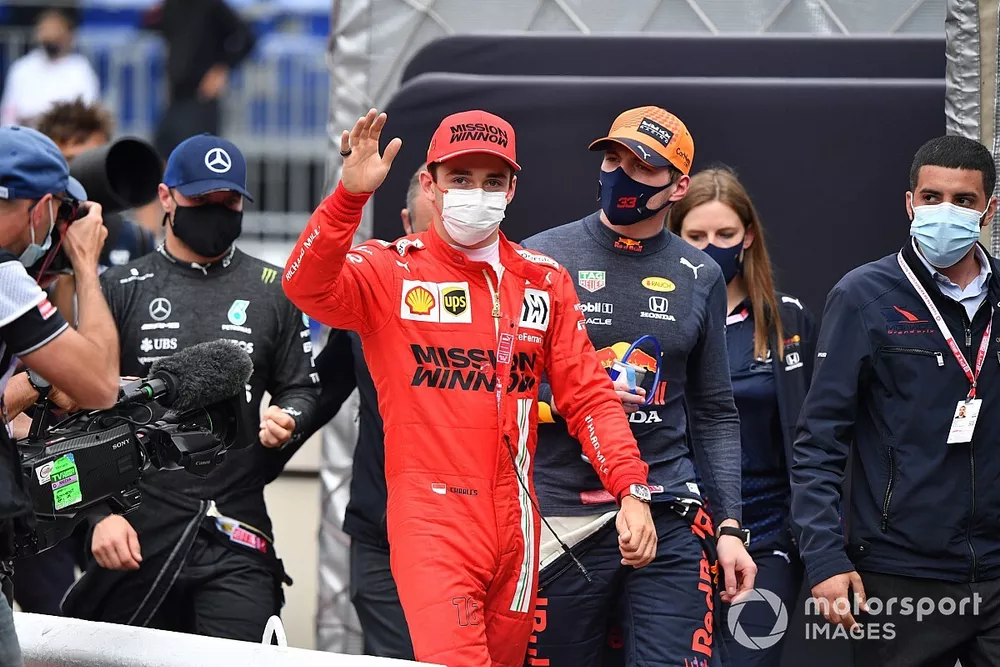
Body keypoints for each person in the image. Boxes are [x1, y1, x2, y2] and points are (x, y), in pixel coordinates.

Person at [283, 108, 656, 667]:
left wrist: (631, 488)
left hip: (520, 524)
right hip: (431, 519)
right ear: (429, 185)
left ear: (512, 189)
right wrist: (347, 200)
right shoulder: (391, 272)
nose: (475, 194)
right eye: (460, 179)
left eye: (492, 181)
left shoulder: (544, 280)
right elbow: (304, 286)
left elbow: (589, 397)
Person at [60, 134, 321, 642]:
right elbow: (77, 412)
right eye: (201, 201)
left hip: (236, 530)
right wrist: (97, 518)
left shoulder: (275, 288)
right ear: (165, 198)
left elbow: (302, 390)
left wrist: (289, 418)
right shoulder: (120, 287)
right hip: (135, 529)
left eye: (229, 202)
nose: (217, 212)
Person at [519, 108, 754, 667]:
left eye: (642, 166)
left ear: (678, 187)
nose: (620, 173)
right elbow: (504, 392)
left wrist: (729, 527)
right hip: (561, 512)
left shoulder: (701, 274)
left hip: (667, 505)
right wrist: (573, 401)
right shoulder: (539, 257)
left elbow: (716, 411)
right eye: (613, 159)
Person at [791, 134, 1000, 667]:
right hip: (900, 572)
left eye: (964, 200)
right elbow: (818, 441)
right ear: (909, 203)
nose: (945, 211)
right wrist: (822, 557)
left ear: (989, 209)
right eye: (932, 198)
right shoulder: (863, 297)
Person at [285, 164, 435, 660]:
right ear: (405, 222)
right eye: (427, 233)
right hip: (380, 533)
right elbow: (320, 393)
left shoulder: (511, 296)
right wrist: (275, 432)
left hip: (470, 535)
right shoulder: (372, 295)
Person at [670, 168, 815, 667]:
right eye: (696, 236)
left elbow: (816, 437)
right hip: (678, 529)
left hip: (766, 533)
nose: (712, 247)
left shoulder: (786, 320)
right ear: (676, 236)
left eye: (725, 235)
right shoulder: (661, 319)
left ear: (748, 236)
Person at [0, 125, 120, 666]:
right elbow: (99, 384)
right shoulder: (5, 279)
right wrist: (87, 265)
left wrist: (23, 391)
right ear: (43, 207)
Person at [143, 0, 256, 158]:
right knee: (162, 154)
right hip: (175, 97)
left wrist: (222, 68)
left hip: (202, 97)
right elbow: (149, 25)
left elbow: (246, 37)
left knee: (197, 158)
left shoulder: (211, 5)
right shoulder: (171, 6)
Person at [0, 9, 100, 127]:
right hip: (26, 133)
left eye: (56, 32)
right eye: (46, 31)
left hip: (66, 134)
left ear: (68, 35)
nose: (51, 37)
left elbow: (88, 108)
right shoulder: (22, 67)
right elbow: (8, 111)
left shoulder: (80, 69)